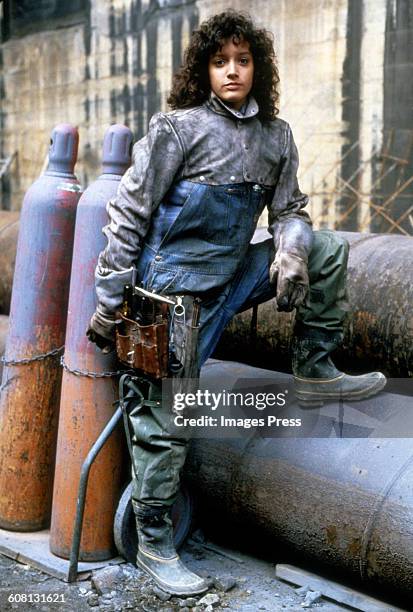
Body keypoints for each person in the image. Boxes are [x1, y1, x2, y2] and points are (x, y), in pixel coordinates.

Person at [87, 10, 386, 595]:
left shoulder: (276, 137)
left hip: (233, 276)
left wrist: (293, 250)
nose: (232, 71)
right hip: (167, 296)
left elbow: (292, 211)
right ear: (205, 68)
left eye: (242, 61)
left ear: (258, 69)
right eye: (220, 61)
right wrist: (111, 301)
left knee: (326, 248)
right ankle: (154, 543)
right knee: (165, 421)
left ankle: (314, 370)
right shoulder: (177, 130)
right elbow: (127, 214)